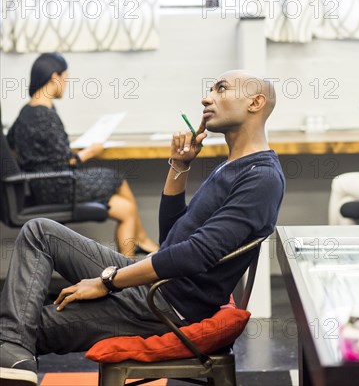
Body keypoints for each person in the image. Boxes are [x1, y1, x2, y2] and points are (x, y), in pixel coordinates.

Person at [0, 70, 285, 386]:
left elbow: (195, 255)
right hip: (161, 288)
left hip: (168, 307)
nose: (207, 97)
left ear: (256, 103)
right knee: (40, 232)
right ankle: (14, 352)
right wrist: (179, 165)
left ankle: (13, 353)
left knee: (21, 324)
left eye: (221, 89)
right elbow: (172, 236)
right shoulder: (233, 165)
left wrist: (108, 282)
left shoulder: (261, 177)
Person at [6, 53, 158, 257]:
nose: (66, 84)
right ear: (54, 78)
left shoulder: (25, 112)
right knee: (117, 178)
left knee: (127, 209)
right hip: (59, 186)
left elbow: (11, 147)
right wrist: (90, 152)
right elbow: (67, 161)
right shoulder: (45, 114)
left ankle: (136, 248)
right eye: (65, 79)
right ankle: (138, 249)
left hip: (41, 186)